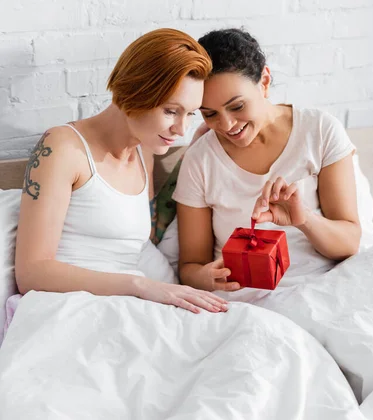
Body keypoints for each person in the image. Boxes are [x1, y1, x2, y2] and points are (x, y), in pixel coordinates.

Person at [15, 28, 228, 314]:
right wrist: (139, 286)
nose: (181, 130)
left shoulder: (144, 149)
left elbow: (140, 235)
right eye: (170, 111)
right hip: (75, 307)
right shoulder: (63, 148)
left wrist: (194, 156)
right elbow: (32, 273)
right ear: (135, 90)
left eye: (190, 114)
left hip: (132, 302)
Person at [174, 28, 361, 294]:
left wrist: (303, 218)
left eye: (237, 106)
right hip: (242, 297)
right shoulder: (200, 159)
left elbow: (349, 243)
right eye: (210, 114)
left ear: (264, 81)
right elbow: (190, 267)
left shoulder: (319, 130)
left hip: (319, 287)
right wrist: (208, 278)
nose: (226, 125)